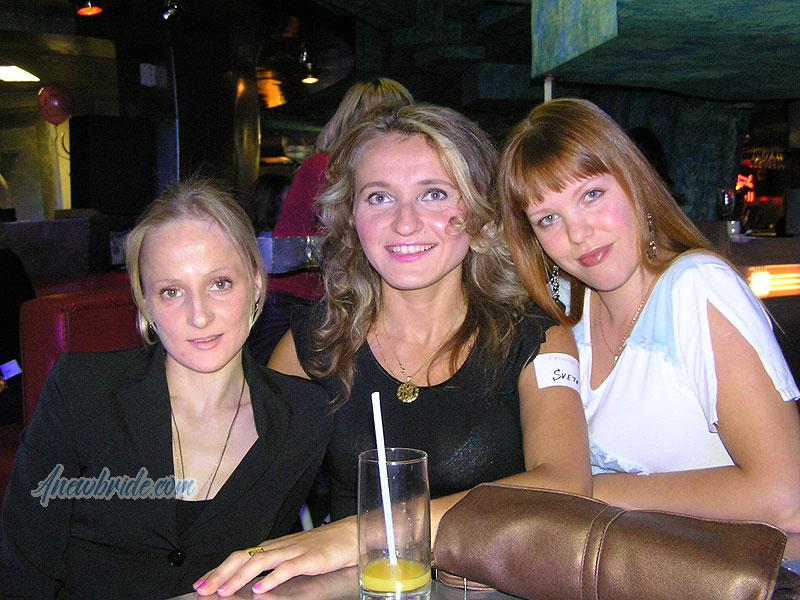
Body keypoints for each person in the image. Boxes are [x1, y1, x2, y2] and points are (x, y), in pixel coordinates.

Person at [197, 103, 592, 596]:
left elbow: (567, 484)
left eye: (434, 194)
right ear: (352, 218)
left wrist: (365, 533)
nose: (405, 224)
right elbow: (247, 496)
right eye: (379, 197)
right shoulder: (313, 344)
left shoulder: (536, 336)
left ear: (478, 213)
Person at [0, 180, 332, 598]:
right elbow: (22, 567)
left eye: (220, 283)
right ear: (146, 304)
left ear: (256, 284)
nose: (200, 316)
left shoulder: (304, 415)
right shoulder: (82, 391)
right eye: (172, 292)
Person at [496, 97, 800, 533]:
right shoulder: (562, 311)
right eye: (548, 219)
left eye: (591, 195)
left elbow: (785, 495)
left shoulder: (697, 288)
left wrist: (585, 491)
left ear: (634, 182)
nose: (578, 233)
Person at [248, 78, 415, 364]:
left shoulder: (369, 172)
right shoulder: (327, 167)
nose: (392, 126)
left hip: (329, 301)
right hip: (298, 303)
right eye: (382, 117)